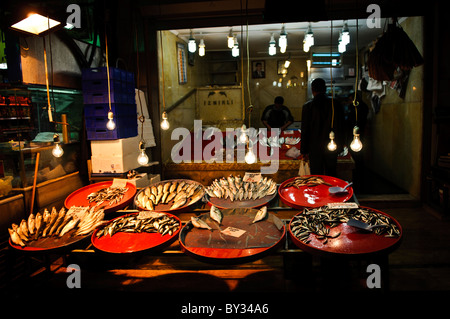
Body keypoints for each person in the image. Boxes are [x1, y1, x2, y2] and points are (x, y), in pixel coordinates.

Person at [300, 78, 345, 177]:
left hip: (314, 147)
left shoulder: (308, 106)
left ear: (312, 90)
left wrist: (304, 150)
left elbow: (305, 130)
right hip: (332, 145)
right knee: (331, 173)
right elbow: (341, 126)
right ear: (325, 89)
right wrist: (341, 146)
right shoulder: (336, 104)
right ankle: (331, 191)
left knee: (316, 175)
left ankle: (319, 191)